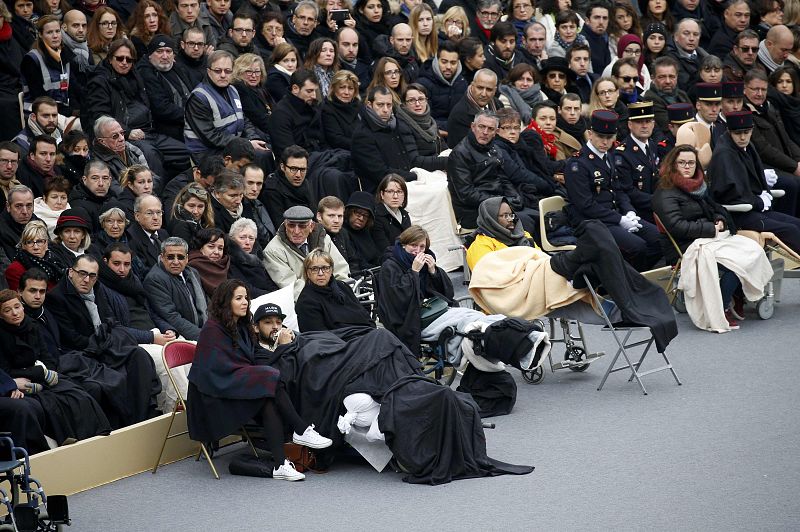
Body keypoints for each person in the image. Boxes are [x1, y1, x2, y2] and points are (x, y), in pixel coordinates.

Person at [187, 279, 332, 482]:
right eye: (238, 298)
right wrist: (262, 374)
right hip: (213, 396)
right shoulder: (212, 329)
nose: (245, 302)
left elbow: (257, 356)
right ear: (225, 301)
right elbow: (216, 371)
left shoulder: (242, 325)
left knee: (268, 399)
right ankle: (301, 429)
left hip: (233, 384)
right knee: (268, 378)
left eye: (246, 297)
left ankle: (280, 465)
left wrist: (283, 350)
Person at [653, 144, 771, 331]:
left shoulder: (699, 186)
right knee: (735, 265)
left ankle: (737, 294)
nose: (687, 167)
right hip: (685, 245)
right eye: (682, 162)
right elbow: (677, 226)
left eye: (691, 163)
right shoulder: (665, 191)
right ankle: (722, 307)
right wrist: (710, 228)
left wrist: (719, 220)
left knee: (753, 249)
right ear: (673, 164)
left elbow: (716, 208)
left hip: (710, 237)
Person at [0, 289, 111, 444]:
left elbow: (46, 355)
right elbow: (6, 371)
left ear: (22, 307)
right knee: (53, 404)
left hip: (43, 375)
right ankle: (69, 441)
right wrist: (38, 373)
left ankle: (97, 436)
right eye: (7, 310)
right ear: (1, 315)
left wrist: (49, 371)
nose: (14, 313)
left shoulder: (32, 325)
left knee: (78, 394)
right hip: (23, 381)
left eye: (17, 307)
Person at [565, 110, 662, 271]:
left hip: (615, 215)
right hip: (593, 222)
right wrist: (619, 219)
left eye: (609, 137)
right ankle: (626, 279)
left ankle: (634, 275)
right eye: (600, 136)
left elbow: (618, 189)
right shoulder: (577, 164)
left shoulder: (608, 156)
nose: (605, 142)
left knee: (658, 238)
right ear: (590, 134)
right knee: (637, 247)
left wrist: (630, 212)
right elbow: (585, 205)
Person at [85, 39, 191, 180]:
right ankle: (154, 192)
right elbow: (100, 116)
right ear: (110, 59)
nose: (124, 62)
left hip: (149, 132)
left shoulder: (135, 75)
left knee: (187, 153)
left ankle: (173, 187)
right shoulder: (99, 81)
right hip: (125, 135)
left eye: (129, 60)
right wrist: (127, 132)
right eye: (120, 58)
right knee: (151, 157)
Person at [708, 110, 800, 254]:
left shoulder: (746, 146)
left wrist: (764, 193)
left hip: (752, 210)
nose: (743, 137)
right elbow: (728, 194)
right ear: (729, 131)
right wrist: (759, 202)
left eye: (747, 132)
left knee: (797, 223)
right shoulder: (724, 154)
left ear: (752, 130)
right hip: (738, 215)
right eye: (738, 133)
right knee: (790, 229)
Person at [376, 225, 454, 356]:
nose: (418, 251)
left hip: (427, 308)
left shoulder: (425, 262)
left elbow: (446, 293)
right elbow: (397, 299)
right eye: (413, 245)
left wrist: (434, 272)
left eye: (422, 247)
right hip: (406, 317)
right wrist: (414, 272)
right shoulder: (390, 265)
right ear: (403, 245)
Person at [448, 111, 531, 231]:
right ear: (473, 127)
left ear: (496, 132)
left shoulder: (494, 149)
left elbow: (503, 179)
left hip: (497, 202)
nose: (485, 132)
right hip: (473, 210)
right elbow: (466, 194)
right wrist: (502, 202)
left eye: (490, 129)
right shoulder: (460, 154)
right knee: (524, 221)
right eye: (481, 127)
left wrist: (514, 196)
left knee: (534, 214)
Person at [184, 50, 269, 160]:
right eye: (218, 71)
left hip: (232, 146)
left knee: (266, 150)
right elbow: (210, 136)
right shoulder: (199, 97)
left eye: (228, 71)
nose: (223, 75)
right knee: (261, 156)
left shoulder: (233, 90)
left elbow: (244, 120)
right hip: (208, 153)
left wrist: (253, 138)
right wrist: (246, 144)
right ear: (209, 71)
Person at [744, 69, 800, 217]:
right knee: (792, 183)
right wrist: (794, 167)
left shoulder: (769, 108)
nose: (760, 94)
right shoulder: (745, 113)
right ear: (745, 89)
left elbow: (786, 140)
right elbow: (763, 149)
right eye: (755, 89)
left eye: (763, 90)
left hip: (782, 163)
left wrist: (798, 161)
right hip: (764, 167)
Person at [263, 206, 350, 299]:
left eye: (302, 226)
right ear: (285, 226)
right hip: (304, 301)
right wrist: (322, 299)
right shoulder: (273, 250)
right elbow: (292, 287)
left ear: (311, 226)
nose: (296, 231)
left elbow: (340, 271)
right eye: (291, 225)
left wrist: (342, 293)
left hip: (333, 294)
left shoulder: (323, 239)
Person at [351, 86, 418, 192]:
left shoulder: (394, 125)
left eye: (389, 105)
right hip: (381, 190)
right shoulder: (362, 135)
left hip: (404, 182)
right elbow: (380, 173)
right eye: (380, 105)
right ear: (369, 105)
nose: (385, 110)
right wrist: (415, 176)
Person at [144, 236, 208, 340]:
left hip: (201, 330)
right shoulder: (155, 279)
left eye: (180, 257)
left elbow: (207, 305)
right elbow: (171, 316)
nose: (176, 262)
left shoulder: (193, 273)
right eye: (170, 257)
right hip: (179, 336)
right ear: (162, 257)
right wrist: (203, 336)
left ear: (187, 258)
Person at [296, 249, 374, 332]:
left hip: (365, 333)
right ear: (307, 273)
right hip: (342, 339)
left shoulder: (342, 287)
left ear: (331, 270)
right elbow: (318, 336)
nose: (321, 273)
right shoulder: (306, 301)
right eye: (315, 269)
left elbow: (365, 317)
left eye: (325, 268)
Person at [136, 34, 195, 143]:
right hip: (167, 130)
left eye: (168, 51)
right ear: (150, 55)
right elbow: (162, 108)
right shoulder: (145, 73)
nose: (165, 56)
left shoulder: (178, 68)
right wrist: (193, 115)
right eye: (159, 51)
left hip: (190, 122)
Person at [614, 101, 660, 221]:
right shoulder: (622, 154)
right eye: (639, 122)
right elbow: (627, 190)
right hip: (637, 213)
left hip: (656, 208)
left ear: (653, 124)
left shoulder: (652, 145)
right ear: (630, 125)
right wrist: (659, 201)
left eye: (648, 121)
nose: (644, 126)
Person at [21, 15, 76, 117]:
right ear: (40, 34)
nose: (55, 36)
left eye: (57, 31)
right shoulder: (31, 59)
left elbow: (73, 89)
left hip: (63, 112)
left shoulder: (65, 55)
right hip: (40, 115)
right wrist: (69, 113)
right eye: (49, 32)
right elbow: (39, 97)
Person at [465, 196, 535, 271]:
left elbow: (540, 257)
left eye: (511, 215)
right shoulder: (480, 245)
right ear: (491, 219)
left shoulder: (523, 235)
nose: (510, 219)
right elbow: (489, 274)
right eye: (505, 216)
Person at [267, 69, 324, 158]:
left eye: (315, 91)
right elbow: (288, 153)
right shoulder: (280, 114)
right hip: (300, 162)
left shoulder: (313, 107)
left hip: (320, 155)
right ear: (295, 89)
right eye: (309, 91)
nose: (314, 96)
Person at [395, 84, 448, 172]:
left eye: (421, 99)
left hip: (437, 168)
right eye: (411, 100)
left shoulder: (430, 120)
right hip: (419, 173)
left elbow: (443, 147)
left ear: (426, 100)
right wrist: (446, 161)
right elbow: (414, 161)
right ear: (404, 104)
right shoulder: (402, 125)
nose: (417, 104)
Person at [417, 41, 467, 132]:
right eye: (444, 62)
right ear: (437, 60)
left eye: (453, 63)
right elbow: (423, 118)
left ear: (458, 63)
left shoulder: (462, 82)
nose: (448, 67)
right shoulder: (423, 84)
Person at [5, 220, 66, 291]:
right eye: (30, 242)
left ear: (46, 243)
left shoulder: (56, 261)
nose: (36, 247)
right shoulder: (15, 269)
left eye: (40, 241)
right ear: (23, 245)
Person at [446, 68, 499, 149]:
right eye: (480, 88)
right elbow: (464, 149)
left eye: (489, 89)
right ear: (472, 86)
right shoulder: (460, 114)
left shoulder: (498, 105)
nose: (484, 94)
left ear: (495, 90)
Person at [262, 145, 315, 225]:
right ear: (283, 167)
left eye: (303, 169)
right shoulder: (271, 190)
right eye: (293, 169)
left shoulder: (305, 183)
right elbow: (280, 225)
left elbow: (314, 214)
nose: (298, 175)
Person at [227, 217, 278, 296]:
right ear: (232, 239)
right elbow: (246, 288)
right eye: (242, 237)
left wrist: (277, 293)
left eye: (251, 238)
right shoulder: (230, 260)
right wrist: (272, 295)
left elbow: (269, 283)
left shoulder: (258, 258)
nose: (247, 242)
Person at [643, 56, 691, 136]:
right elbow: (667, 126)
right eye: (662, 77)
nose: (668, 81)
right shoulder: (650, 98)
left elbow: (693, 117)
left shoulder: (682, 94)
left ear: (677, 77)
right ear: (653, 78)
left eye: (671, 76)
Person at [231, 53, 274, 139]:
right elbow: (255, 117)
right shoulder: (239, 88)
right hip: (257, 135)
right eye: (249, 71)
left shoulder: (260, 89)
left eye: (257, 72)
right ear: (239, 72)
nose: (254, 76)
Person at [320, 69, 361, 151]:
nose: (346, 92)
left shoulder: (359, 107)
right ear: (333, 89)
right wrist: (362, 145)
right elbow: (336, 139)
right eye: (342, 87)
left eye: (351, 88)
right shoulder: (327, 109)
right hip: (342, 152)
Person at [128, 194, 169, 272]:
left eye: (158, 212)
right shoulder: (131, 238)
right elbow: (143, 271)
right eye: (149, 213)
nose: (155, 218)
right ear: (137, 216)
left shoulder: (164, 233)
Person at [343, 191, 382, 270]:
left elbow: (376, 256)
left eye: (366, 215)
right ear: (349, 212)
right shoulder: (343, 232)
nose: (361, 218)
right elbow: (358, 262)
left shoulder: (366, 232)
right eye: (358, 213)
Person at [316, 195, 356, 270]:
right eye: (331, 216)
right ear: (319, 216)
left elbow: (353, 261)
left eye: (340, 216)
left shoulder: (343, 233)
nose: (336, 220)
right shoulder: (313, 236)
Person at [188, 228, 230, 298]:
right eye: (211, 247)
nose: (216, 252)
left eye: (220, 248)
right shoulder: (193, 266)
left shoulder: (227, 264)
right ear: (200, 247)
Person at [666, 18, 707, 88]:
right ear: (676, 36)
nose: (691, 38)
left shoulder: (705, 55)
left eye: (695, 34)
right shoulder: (669, 58)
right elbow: (684, 86)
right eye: (686, 33)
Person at [15, 135, 60, 199]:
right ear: (32, 155)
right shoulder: (21, 174)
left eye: (52, 154)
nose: (48, 159)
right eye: (43, 154)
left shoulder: (57, 170)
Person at [337, 26, 371, 94]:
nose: (351, 50)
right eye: (346, 45)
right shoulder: (332, 68)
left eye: (355, 45)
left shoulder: (367, 68)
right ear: (337, 45)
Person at [580, 2, 612, 74]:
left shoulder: (602, 39)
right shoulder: (581, 41)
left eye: (605, 18)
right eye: (597, 17)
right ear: (587, 21)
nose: (601, 22)